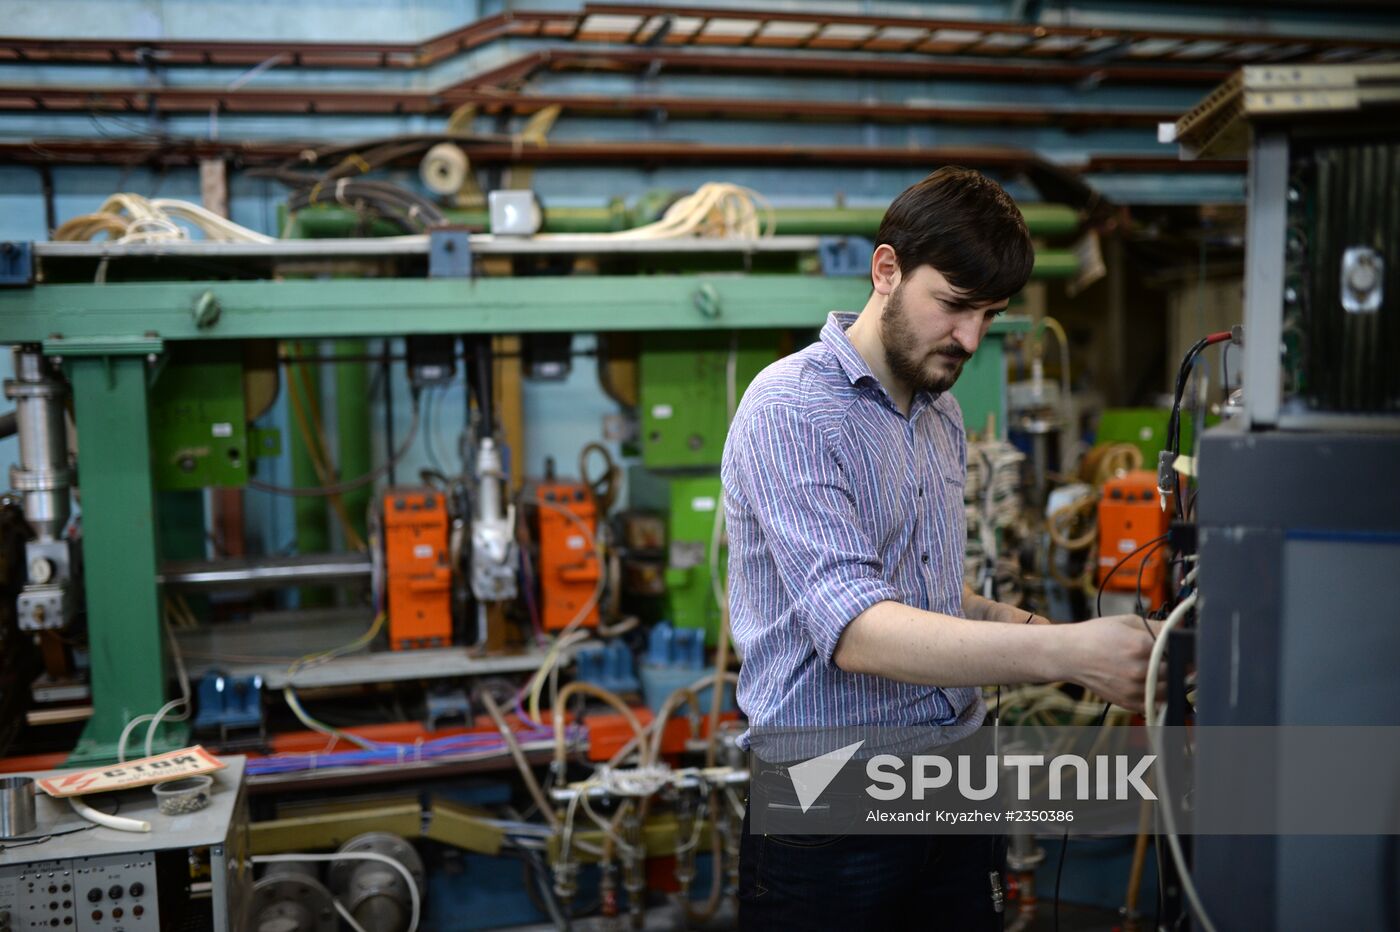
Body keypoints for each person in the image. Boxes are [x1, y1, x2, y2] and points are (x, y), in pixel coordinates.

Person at [721, 167, 1158, 930]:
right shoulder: (790, 409)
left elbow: (927, 596)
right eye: (955, 306)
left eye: (991, 314)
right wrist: (1065, 658)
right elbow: (859, 630)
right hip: (829, 799)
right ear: (886, 270)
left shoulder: (940, 416)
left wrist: (1060, 639)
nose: (971, 338)